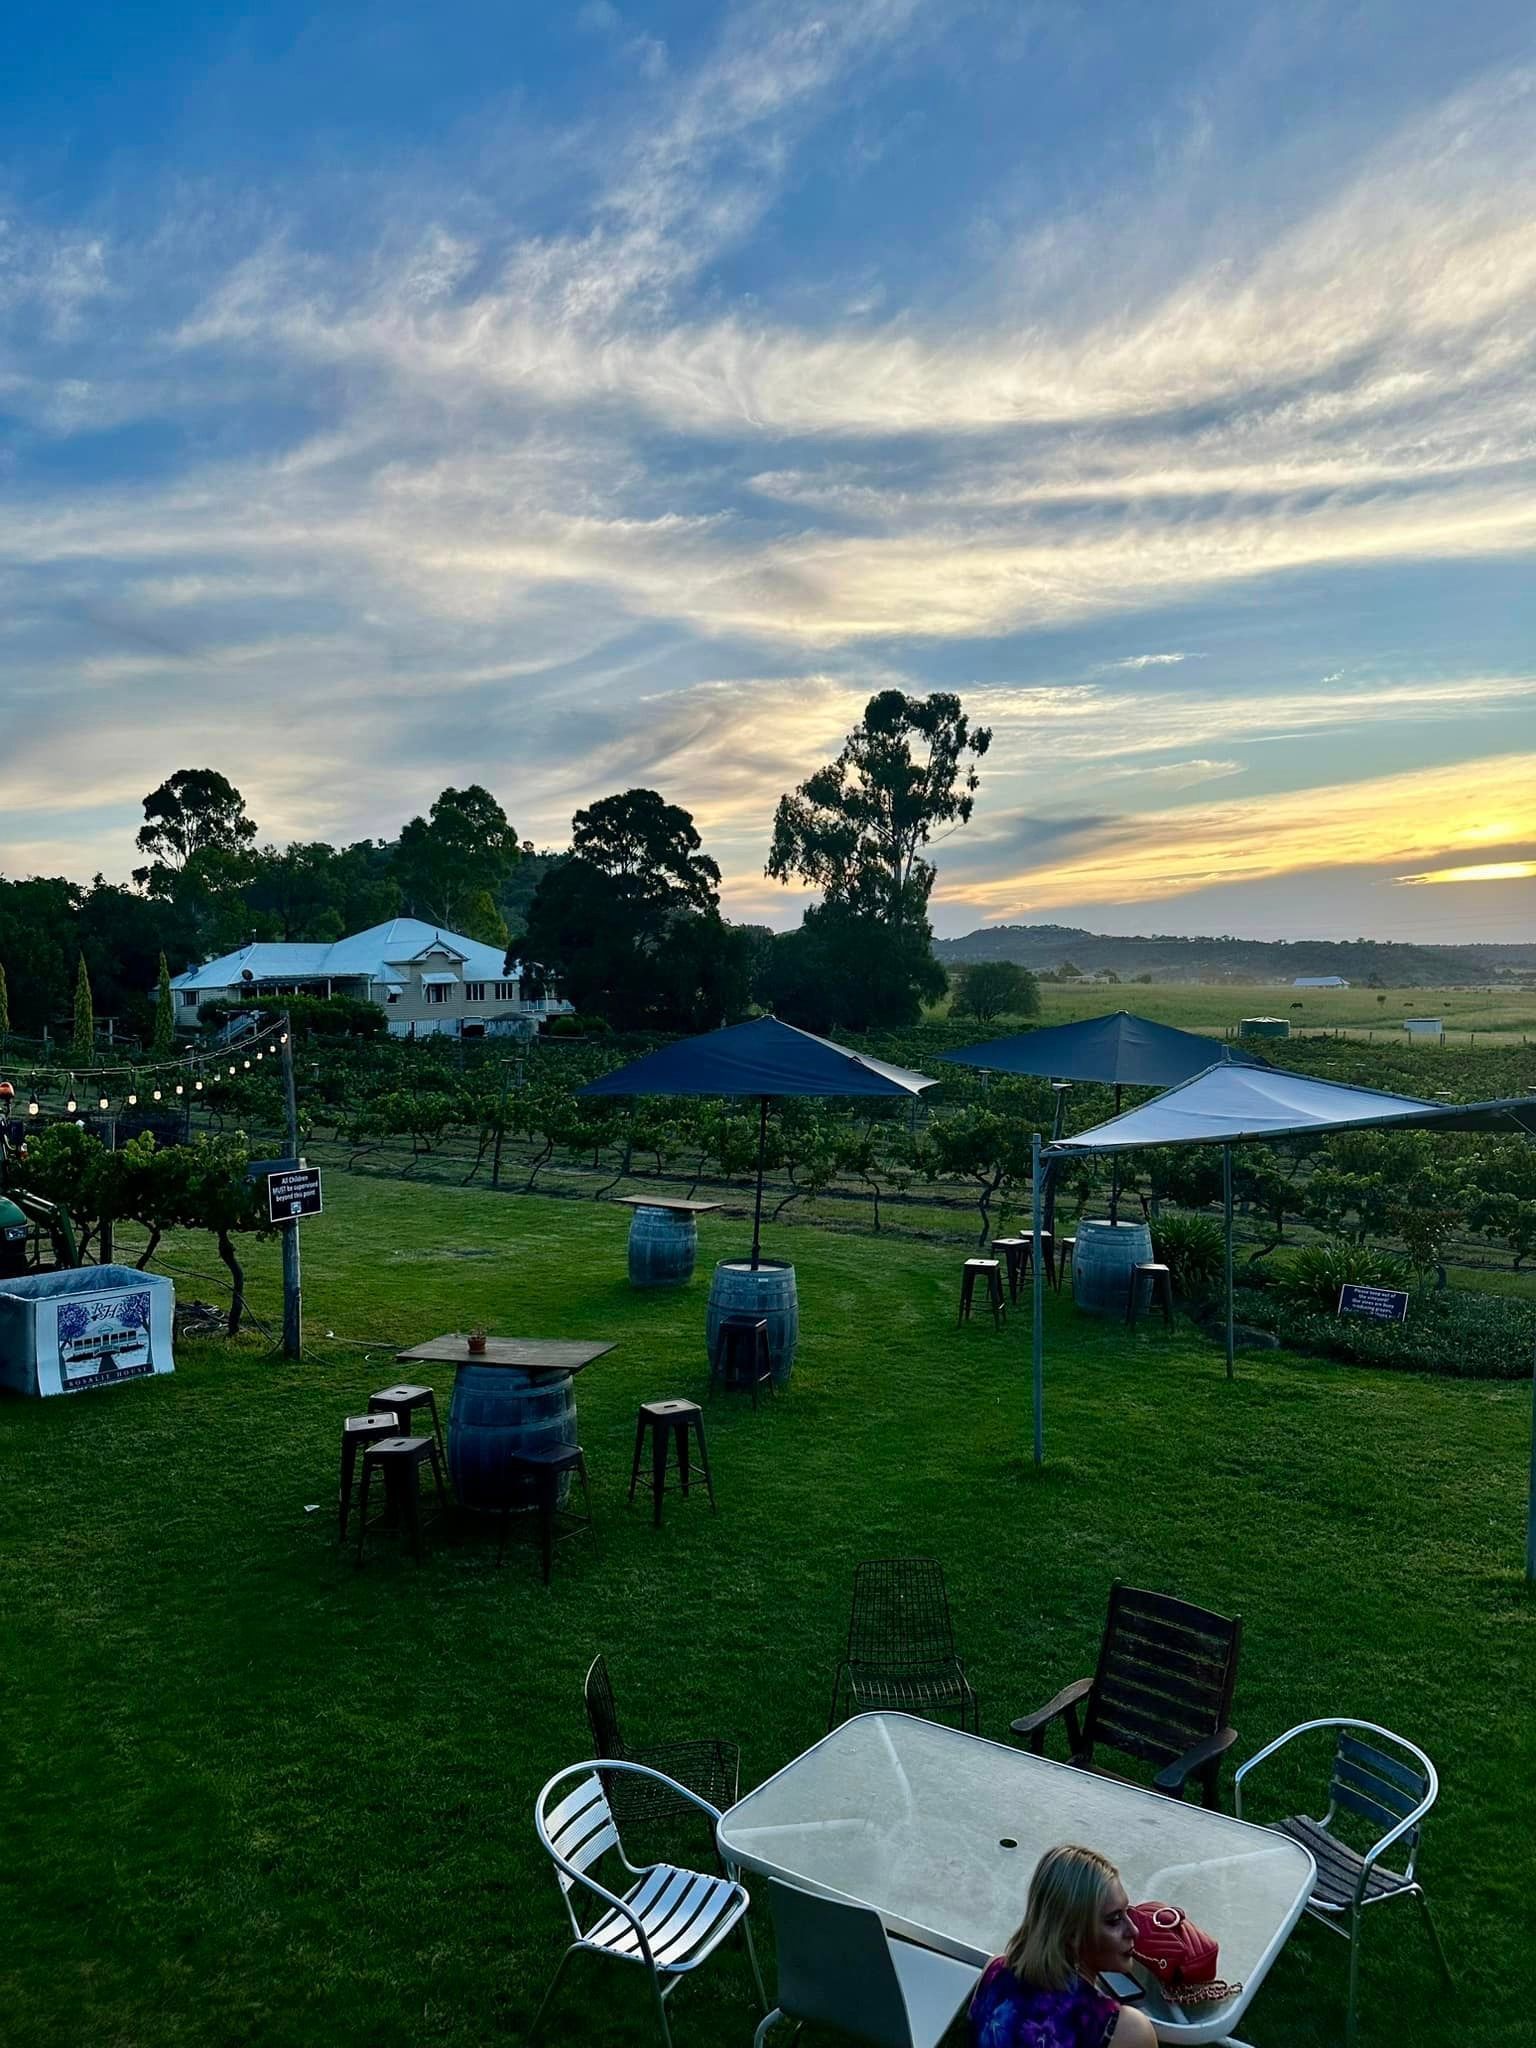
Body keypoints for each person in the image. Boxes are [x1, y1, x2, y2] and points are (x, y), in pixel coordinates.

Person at [969, 1843, 1157, 2048]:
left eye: (1127, 1913)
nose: (1133, 1931)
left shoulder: (994, 1973)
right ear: (1070, 1933)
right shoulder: (1125, 2031)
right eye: (1114, 1920)